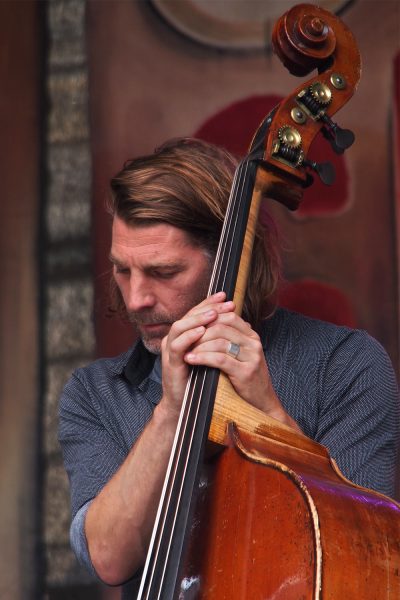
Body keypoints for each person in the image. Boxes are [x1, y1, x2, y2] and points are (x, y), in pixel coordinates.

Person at [59, 137, 399, 597]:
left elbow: (362, 539)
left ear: (231, 259)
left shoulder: (346, 366)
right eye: (122, 270)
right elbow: (108, 556)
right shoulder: (96, 393)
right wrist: (171, 411)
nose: (136, 298)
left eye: (163, 272)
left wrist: (269, 415)